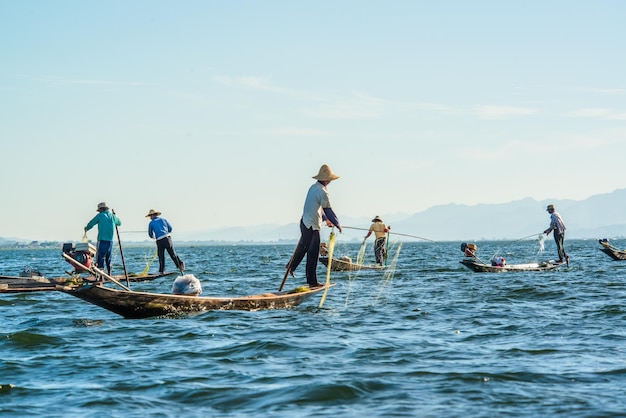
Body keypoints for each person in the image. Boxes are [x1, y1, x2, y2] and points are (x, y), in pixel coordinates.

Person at [286, 164, 342, 287]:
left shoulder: (313, 187)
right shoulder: (323, 192)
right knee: (312, 252)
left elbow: (317, 208)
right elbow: (328, 210)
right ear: (327, 180)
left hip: (305, 222)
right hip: (312, 225)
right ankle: (310, 280)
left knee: (305, 248)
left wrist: (326, 220)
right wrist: (337, 224)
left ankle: (293, 267)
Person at [84, 202, 121, 275]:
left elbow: (91, 223)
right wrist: (115, 216)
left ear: (101, 209)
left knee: (100, 257)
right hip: (110, 241)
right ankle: (109, 273)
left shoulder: (100, 216)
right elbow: (119, 223)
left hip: (102, 240)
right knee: (108, 257)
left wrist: (86, 228)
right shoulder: (112, 216)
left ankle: (101, 276)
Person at [146, 209, 185, 274]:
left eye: (150, 216)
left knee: (161, 255)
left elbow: (150, 234)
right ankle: (180, 264)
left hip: (159, 240)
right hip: (167, 238)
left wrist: (153, 236)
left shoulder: (151, 223)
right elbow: (170, 229)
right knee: (172, 253)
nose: (150, 218)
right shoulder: (163, 220)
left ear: (153, 215)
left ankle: (162, 271)